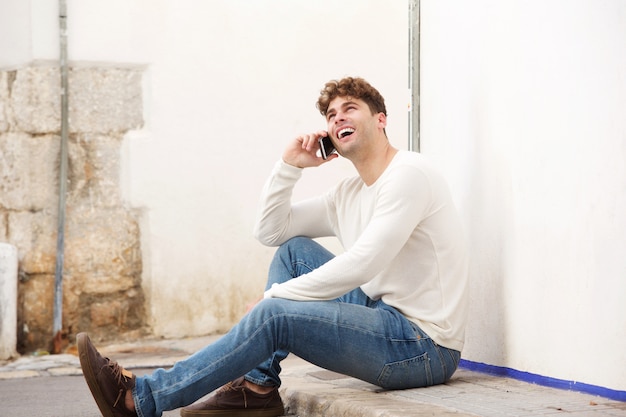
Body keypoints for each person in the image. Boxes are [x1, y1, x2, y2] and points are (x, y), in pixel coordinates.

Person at [77, 76, 469, 417]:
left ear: (381, 119)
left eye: (350, 109)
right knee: (293, 252)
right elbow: (271, 231)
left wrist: (275, 299)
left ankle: (141, 399)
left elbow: (363, 263)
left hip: (424, 347)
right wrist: (289, 167)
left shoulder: (410, 175)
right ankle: (257, 388)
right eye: (331, 116)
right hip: (383, 316)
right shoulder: (347, 193)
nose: (338, 119)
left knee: (275, 315)